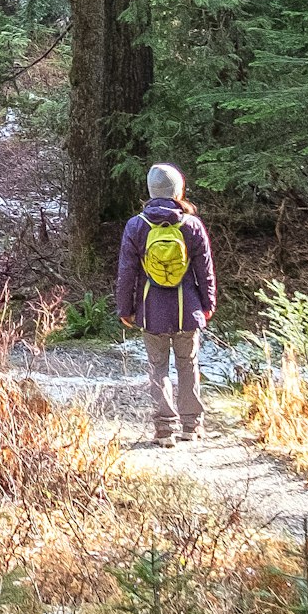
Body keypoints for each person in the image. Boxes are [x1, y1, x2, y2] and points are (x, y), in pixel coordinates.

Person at [115, 162, 215, 445]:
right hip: (187, 309)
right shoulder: (192, 225)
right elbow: (204, 270)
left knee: (158, 368)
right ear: (178, 190)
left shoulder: (136, 225)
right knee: (188, 365)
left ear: (150, 190)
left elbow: (126, 273)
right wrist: (208, 304)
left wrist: (126, 309)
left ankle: (164, 430)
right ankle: (191, 426)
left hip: (151, 310)